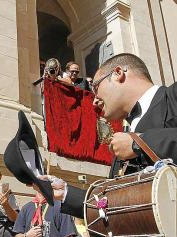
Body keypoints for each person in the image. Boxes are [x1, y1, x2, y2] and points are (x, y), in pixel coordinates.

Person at [51, 53, 177, 219]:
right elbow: (112, 204)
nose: (94, 100)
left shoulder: (173, 96)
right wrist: (66, 193)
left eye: (95, 87)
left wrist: (140, 143)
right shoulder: (122, 141)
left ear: (118, 73)